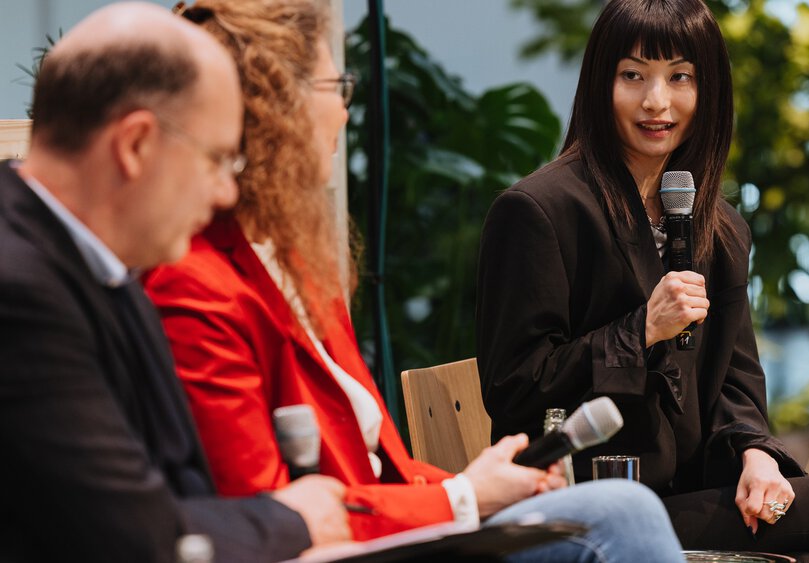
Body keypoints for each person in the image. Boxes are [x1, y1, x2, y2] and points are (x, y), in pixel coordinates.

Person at [144, 0, 683, 561]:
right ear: (278, 108)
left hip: (401, 526)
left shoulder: (292, 263)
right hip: (349, 549)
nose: (345, 115)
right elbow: (266, 517)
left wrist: (479, 487)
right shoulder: (196, 284)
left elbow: (378, 469)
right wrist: (462, 496)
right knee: (624, 512)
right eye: (338, 88)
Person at [475, 0, 809, 561]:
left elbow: (735, 381)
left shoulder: (720, 226)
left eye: (680, 77)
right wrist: (639, 330)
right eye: (633, 75)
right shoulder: (538, 211)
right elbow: (515, 389)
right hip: (584, 503)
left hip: (679, 493)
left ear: (707, 88)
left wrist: (756, 454)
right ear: (600, 84)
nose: (656, 101)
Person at [0, 3, 356, 562]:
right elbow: (137, 536)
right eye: (217, 160)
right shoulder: (16, 289)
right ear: (136, 145)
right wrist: (294, 518)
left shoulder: (106, 269)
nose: (226, 194)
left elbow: (181, 495)